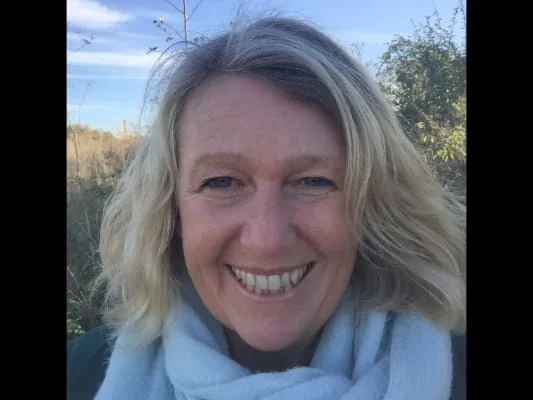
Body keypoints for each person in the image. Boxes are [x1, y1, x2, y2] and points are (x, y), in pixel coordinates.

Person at [67, 15, 466, 400]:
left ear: (372, 202)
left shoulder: (457, 370)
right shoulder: (82, 373)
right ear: (171, 210)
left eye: (314, 181)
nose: (267, 240)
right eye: (221, 182)